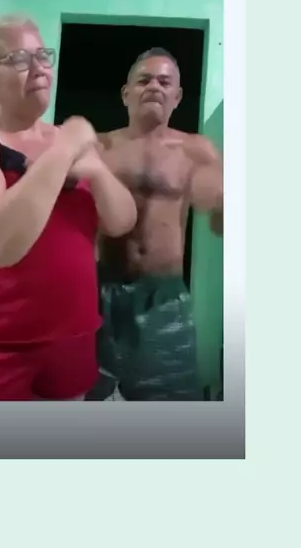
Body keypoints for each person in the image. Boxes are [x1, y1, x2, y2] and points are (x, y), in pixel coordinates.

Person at [0, 15, 137, 401]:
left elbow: (122, 221)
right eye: (19, 58)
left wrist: (96, 170)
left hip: (73, 341)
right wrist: (63, 152)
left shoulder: (71, 139)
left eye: (43, 56)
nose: (39, 68)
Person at [94, 47, 223, 401]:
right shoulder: (99, 146)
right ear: (126, 93)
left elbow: (225, 217)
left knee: (171, 414)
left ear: (177, 96)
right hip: (97, 294)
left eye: (165, 82)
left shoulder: (196, 150)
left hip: (164, 302)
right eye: (144, 80)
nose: (154, 86)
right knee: (82, 401)